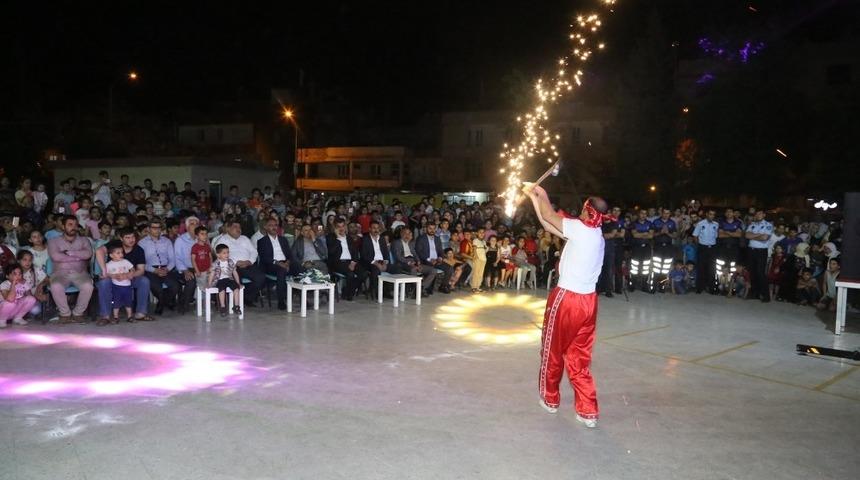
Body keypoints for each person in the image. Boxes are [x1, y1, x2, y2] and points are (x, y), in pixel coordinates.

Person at [525, 184, 605, 428]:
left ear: (586, 210)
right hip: (589, 302)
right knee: (579, 358)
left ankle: (550, 399)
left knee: (552, 349)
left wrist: (543, 194)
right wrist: (533, 198)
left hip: (567, 299)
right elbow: (549, 224)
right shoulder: (596, 234)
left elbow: (550, 216)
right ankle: (588, 411)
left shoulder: (581, 229)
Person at [47, 215, 94, 323]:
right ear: (63, 226)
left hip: (80, 273)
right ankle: (65, 313)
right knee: (55, 286)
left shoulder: (84, 240)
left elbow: (88, 254)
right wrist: (78, 257)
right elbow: (55, 256)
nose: (73, 227)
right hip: (60, 273)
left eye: (75, 225)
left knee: (88, 286)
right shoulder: (53, 241)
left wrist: (70, 253)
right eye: (70, 224)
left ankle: (78, 313)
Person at [212, 219, 264, 306]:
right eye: (235, 227)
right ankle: (237, 302)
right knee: (236, 280)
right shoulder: (222, 240)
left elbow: (254, 251)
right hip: (231, 267)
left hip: (248, 265)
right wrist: (236, 262)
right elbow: (220, 256)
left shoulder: (245, 239)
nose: (238, 229)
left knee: (261, 278)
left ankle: (246, 298)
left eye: (239, 227)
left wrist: (249, 261)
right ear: (228, 229)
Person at [139, 219, 180, 315]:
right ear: (149, 229)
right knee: (157, 288)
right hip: (150, 270)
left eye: (159, 228)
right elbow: (141, 262)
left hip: (166, 268)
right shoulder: (142, 243)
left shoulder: (167, 241)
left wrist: (167, 269)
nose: (157, 230)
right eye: (154, 228)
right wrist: (154, 270)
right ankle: (165, 302)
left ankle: (161, 303)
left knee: (175, 286)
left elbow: (172, 259)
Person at [257, 217, 298, 310]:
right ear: (266, 227)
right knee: (281, 270)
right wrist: (279, 263)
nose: (274, 227)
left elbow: (289, 254)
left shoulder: (283, 239)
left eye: (275, 225)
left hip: (285, 263)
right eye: (270, 225)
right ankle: (281, 301)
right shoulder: (262, 241)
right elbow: (264, 258)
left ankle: (303, 295)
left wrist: (287, 262)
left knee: (298, 267)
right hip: (271, 265)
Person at [326, 217, 367, 301]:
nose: (341, 228)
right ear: (335, 228)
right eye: (339, 226)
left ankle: (348, 291)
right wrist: (338, 238)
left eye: (343, 226)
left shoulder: (348, 238)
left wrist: (353, 263)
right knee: (350, 274)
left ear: (345, 227)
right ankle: (349, 295)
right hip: (338, 262)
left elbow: (355, 252)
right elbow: (331, 252)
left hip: (350, 261)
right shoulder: (330, 237)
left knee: (363, 274)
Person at [390, 227, 436, 294]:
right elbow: (398, 257)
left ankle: (421, 287)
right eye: (405, 233)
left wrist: (418, 262)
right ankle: (417, 290)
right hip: (403, 263)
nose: (407, 235)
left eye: (409, 233)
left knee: (433, 270)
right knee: (413, 269)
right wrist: (409, 262)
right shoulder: (396, 243)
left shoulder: (411, 243)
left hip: (414, 262)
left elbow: (415, 254)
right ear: (401, 234)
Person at [745, 209, 773, 302]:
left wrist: (753, 235)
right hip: (751, 251)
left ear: (764, 215)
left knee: (761, 273)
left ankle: (766, 295)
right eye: (757, 214)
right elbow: (747, 236)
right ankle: (755, 293)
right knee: (752, 272)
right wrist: (759, 235)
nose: (758, 215)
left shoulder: (768, 225)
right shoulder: (752, 224)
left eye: (760, 213)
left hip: (761, 252)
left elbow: (765, 237)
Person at [415, 223, 452, 294]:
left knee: (449, 268)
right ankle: (425, 288)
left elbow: (441, 251)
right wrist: (429, 259)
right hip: (426, 261)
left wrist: (440, 258)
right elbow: (419, 252)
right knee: (432, 268)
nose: (432, 230)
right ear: (426, 229)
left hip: (437, 261)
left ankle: (443, 286)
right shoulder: (421, 238)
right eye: (430, 228)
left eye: (433, 229)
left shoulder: (437, 239)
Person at [104, 242, 134, 325]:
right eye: (118, 253)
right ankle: (116, 317)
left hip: (127, 286)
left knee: (128, 302)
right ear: (111, 255)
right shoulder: (109, 265)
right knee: (116, 302)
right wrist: (113, 275)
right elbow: (105, 274)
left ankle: (129, 316)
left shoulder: (125, 262)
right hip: (116, 287)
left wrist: (130, 274)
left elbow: (132, 269)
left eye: (122, 252)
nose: (121, 254)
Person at [360, 220, 392, 297]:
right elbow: (364, 255)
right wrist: (376, 263)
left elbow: (386, 253)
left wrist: (385, 262)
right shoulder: (365, 239)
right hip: (371, 262)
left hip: (382, 261)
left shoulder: (382, 239)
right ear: (369, 229)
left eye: (377, 228)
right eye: (374, 228)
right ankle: (377, 292)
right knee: (376, 270)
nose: (376, 230)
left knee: (396, 268)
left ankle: (387, 291)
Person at [209, 244, 242, 317]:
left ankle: (236, 306)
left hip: (229, 279)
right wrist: (209, 284)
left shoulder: (230, 262)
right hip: (220, 280)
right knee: (222, 290)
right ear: (218, 255)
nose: (227, 254)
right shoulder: (216, 263)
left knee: (236, 288)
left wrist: (238, 282)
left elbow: (234, 272)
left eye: (228, 252)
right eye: (224, 253)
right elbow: (212, 273)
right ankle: (223, 307)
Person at [692, 209, 718, 294]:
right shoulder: (700, 224)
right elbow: (695, 235)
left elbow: (716, 236)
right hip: (703, 247)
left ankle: (711, 288)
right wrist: (699, 245)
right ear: (707, 214)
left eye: (713, 215)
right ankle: (699, 287)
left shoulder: (716, 224)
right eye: (710, 214)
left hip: (712, 248)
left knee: (712, 268)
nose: (711, 216)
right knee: (701, 267)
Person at [629, 210, 653, 292]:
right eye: (641, 213)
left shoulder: (649, 223)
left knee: (645, 267)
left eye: (645, 213)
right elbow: (635, 235)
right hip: (636, 247)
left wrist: (640, 234)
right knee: (634, 267)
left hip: (646, 248)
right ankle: (633, 284)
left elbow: (651, 236)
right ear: (638, 214)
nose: (643, 215)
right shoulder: (633, 224)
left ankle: (644, 285)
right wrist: (645, 233)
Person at [191, 226, 213, 292]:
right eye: (202, 234)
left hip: (208, 270)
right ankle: (200, 301)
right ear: (197, 236)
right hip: (200, 271)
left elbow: (210, 257)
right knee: (202, 287)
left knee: (208, 286)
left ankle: (206, 300)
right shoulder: (195, 247)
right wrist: (197, 270)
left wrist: (210, 267)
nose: (205, 236)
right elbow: (193, 260)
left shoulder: (207, 246)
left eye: (206, 234)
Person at [469, 228, 488, 293]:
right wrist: (476, 256)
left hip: (483, 258)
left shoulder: (484, 242)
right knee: (476, 273)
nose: (482, 234)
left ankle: (478, 286)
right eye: (480, 232)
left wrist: (486, 248)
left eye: (483, 232)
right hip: (478, 258)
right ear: (477, 233)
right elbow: (474, 248)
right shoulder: (475, 240)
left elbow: (485, 250)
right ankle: (473, 287)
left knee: (480, 273)